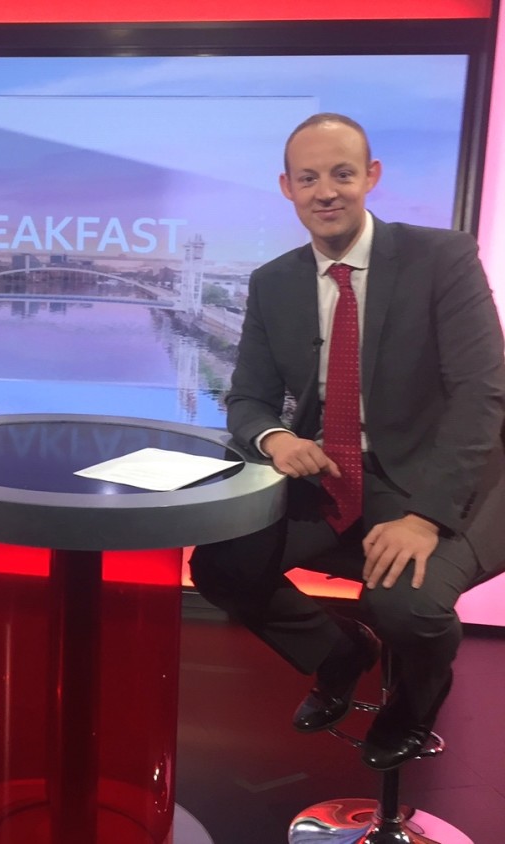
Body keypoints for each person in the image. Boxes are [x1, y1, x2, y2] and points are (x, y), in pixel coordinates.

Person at [189, 113, 505, 771]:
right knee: (220, 566)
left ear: (371, 178)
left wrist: (424, 518)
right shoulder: (273, 282)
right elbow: (246, 399)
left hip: (442, 471)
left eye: (342, 173)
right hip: (336, 468)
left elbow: (483, 397)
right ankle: (339, 654)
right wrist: (275, 437)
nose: (326, 191)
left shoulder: (441, 258)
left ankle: (417, 701)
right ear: (287, 187)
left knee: (407, 606)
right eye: (309, 178)